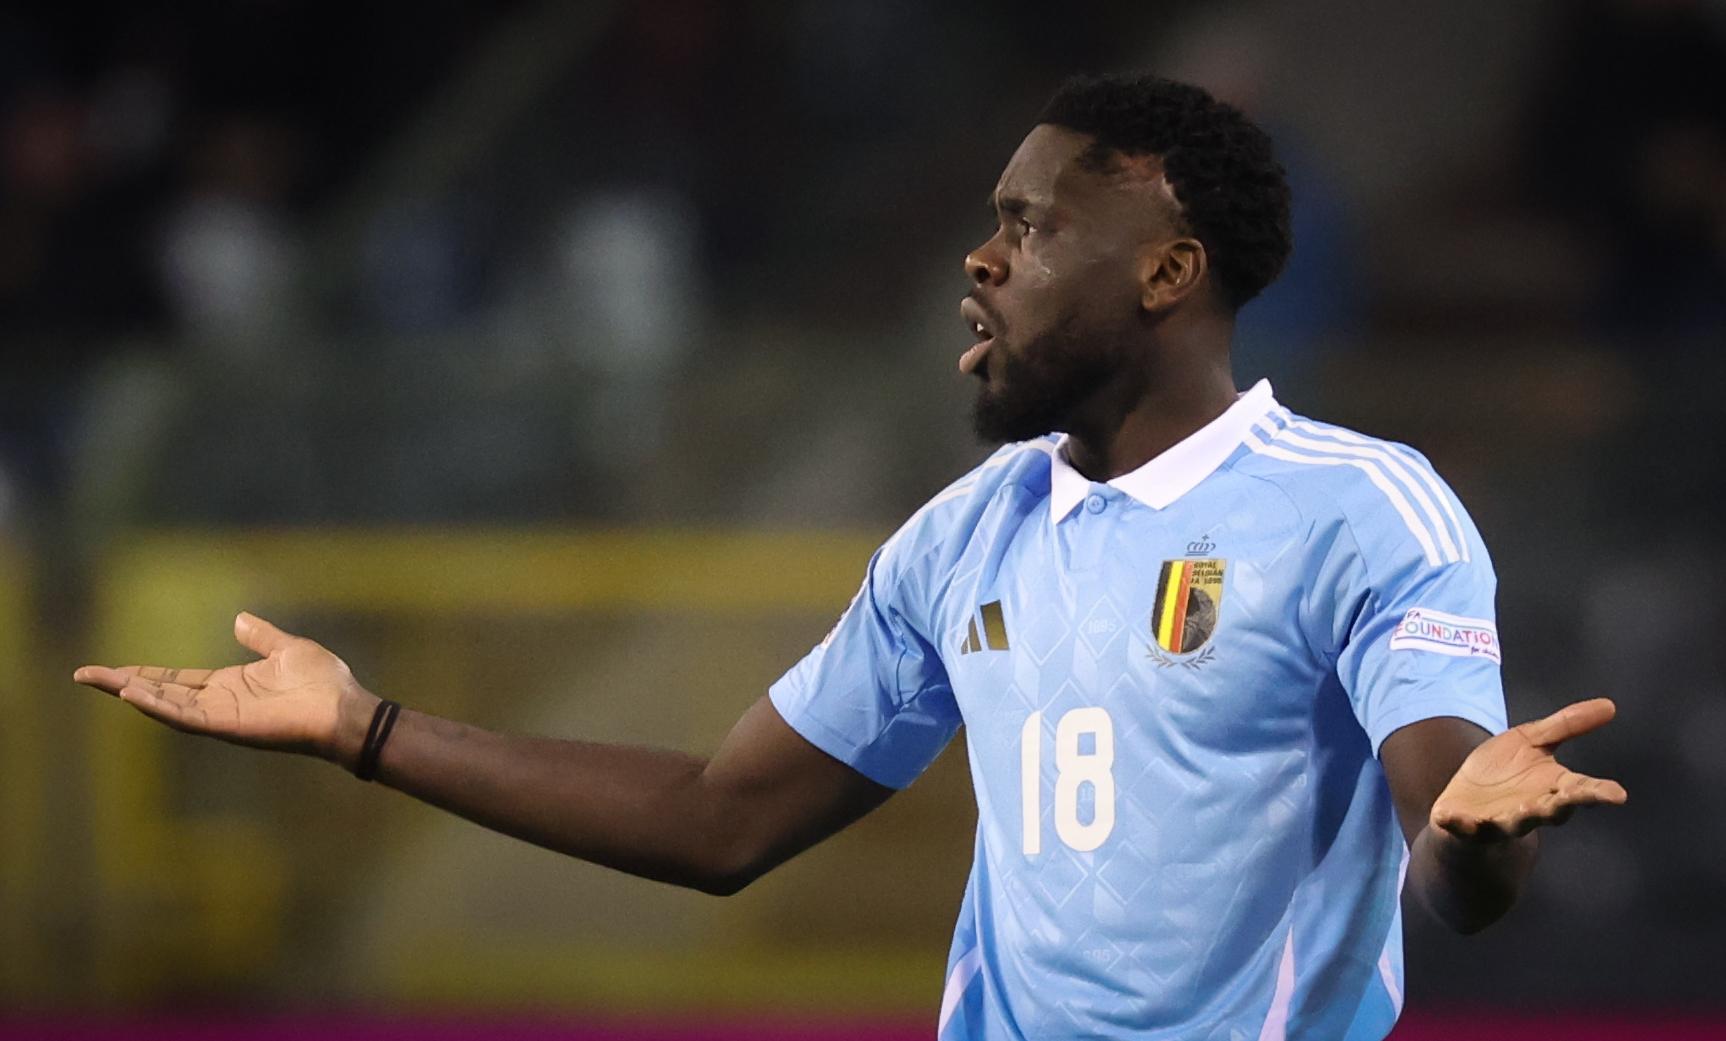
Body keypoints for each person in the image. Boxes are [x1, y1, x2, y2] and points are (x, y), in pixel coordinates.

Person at [74, 74, 1626, 1040]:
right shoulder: (962, 538)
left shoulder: (1361, 507)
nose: (980, 256)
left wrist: (1480, 836)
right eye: (987, 220)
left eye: (1028, 225)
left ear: (1167, 268)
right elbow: (717, 819)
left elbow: (1454, 845)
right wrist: (363, 726)